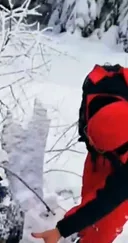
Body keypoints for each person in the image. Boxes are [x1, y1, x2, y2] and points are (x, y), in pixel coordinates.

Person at [32, 64, 128, 243]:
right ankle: (81, 231)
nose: (88, 142)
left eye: (96, 145)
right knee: (89, 198)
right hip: (112, 137)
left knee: (107, 223)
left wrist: (61, 230)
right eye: (88, 133)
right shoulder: (96, 87)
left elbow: (107, 199)